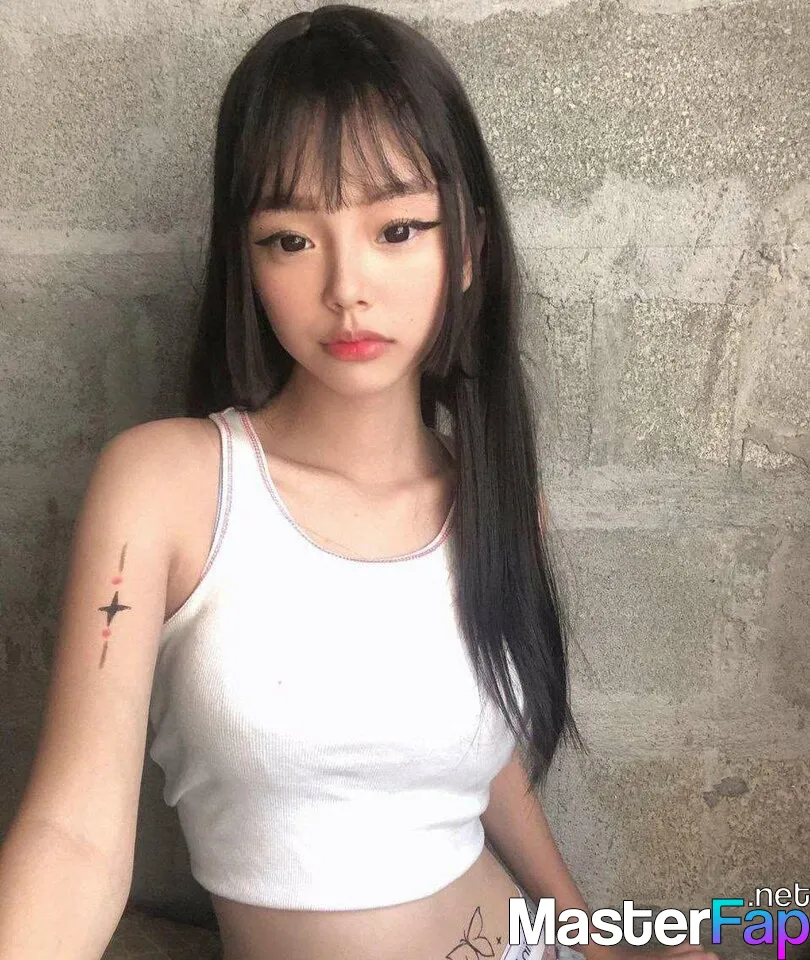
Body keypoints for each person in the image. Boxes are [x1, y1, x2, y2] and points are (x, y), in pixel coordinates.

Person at [0, 6, 724, 960]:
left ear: (468, 247)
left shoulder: (501, 508)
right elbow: (74, 836)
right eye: (290, 239)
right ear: (246, 259)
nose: (347, 286)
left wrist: (592, 936)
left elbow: (477, 765)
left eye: (398, 228)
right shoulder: (166, 489)